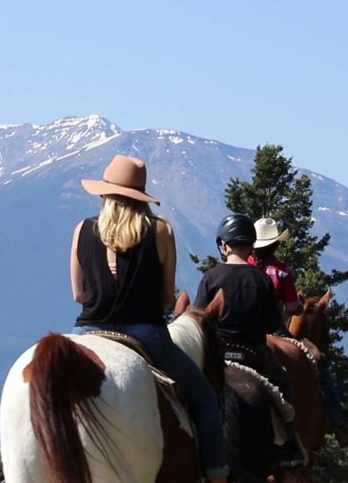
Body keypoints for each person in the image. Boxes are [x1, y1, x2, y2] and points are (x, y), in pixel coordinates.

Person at [70, 154, 228, 483]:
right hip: (145, 333)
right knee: (204, 399)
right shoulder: (160, 230)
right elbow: (165, 298)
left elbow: (79, 295)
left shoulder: (83, 230)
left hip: (87, 331)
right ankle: (216, 475)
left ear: (105, 194)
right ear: (141, 197)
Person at [194, 213, 305, 467]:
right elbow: (271, 325)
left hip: (218, 354)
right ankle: (289, 443)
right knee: (283, 383)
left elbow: (200, 319)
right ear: (250, 245)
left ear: (223, 245)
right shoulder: (262, 279)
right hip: (253, 352)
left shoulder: (211, 276)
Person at [251, 216, 348, 447]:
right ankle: (338, 421)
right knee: (318, 365)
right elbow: (293, 308)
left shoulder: (244, 267)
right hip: (273, 329)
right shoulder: (281, 272)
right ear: (275, 245)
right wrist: (299, 305)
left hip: (241, 329)